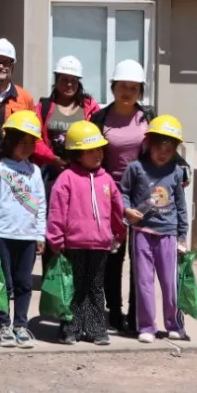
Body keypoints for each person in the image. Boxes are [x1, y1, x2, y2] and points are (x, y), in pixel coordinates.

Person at [46, 120, 125, 346]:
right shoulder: (67, 178)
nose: (97, 154)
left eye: (99, 149)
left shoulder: (106, 178)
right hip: (74, 243)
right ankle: (71, 328)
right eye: (90, 150)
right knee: (74, 287)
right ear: (77, 153)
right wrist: (56, 237)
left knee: (95, 287)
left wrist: (119, 232)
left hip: (100, 243)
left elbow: (117, 208)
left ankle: (96, 329)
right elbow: (57, 210)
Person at [92, 59, 153, 334]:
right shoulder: (100, 119)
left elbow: (164, 147)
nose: (128, 92)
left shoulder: (148, 117)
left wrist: (181, 166)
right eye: (123, 86)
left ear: (140, 90)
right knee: (113, 258)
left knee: (141, 258)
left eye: (134, 87)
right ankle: (114, 312)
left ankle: (137, 314)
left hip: (143, 196)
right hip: (110, 195)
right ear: (113, 87)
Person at [0, 111, 47, 348]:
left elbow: (40, 204)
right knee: (3, 283)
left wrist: (40, 234)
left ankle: (20, 325)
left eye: (32, 142)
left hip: (27, 237)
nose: (27, 146)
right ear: (11, 141)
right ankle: (3, 326)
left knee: (24, 283)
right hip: (1, 236)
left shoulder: (35, 171)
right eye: (22, 141)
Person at [121, 115, 191, 344]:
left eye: (169, 149)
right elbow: (123, 193)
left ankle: (174, 325)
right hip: (141, 232)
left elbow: (181, 205)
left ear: (175, 150)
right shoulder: (135, 168)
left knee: (170, 282)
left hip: (168, 235)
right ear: (148, 144)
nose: (163, 153)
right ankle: (147, 326)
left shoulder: (177, 171)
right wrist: (126, 209)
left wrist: (182, 236)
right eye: (159, 148)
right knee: (143, 281)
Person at [39, 56, 101, 183]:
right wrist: (51, 158)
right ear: (56, 81)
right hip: (50, 173)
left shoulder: (90, 106)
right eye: (64, 80)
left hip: (82, 171)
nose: (69, 84)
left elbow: (99, 137)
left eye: (73, 80)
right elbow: (34, 138)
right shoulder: (43, 107)